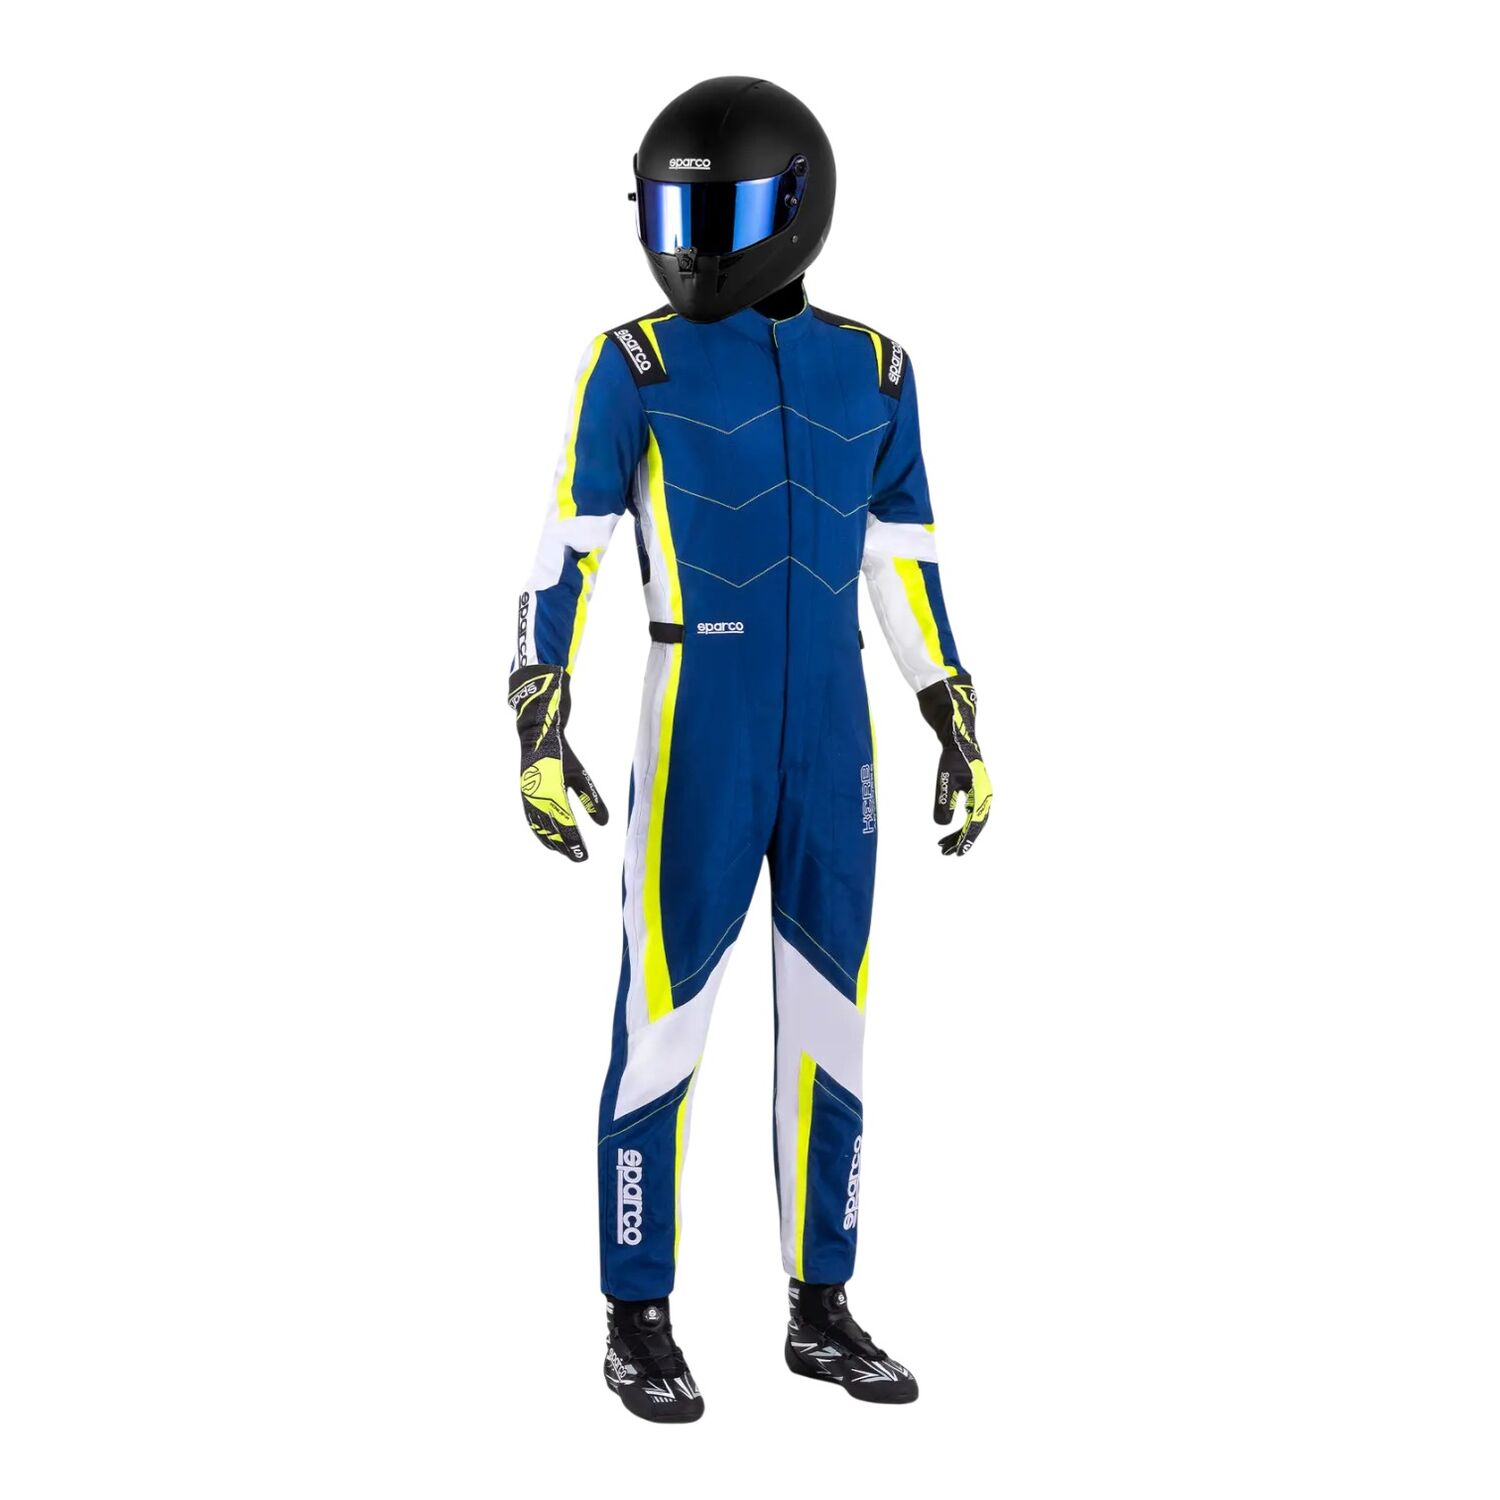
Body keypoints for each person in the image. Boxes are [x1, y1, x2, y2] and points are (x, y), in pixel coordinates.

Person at [508, 77, 990, 1423]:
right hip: (697, 727)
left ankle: (820, 1308)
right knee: (662, 1022)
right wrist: (538, 711)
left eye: (715, 215)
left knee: (833, 1019)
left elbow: (903, 558)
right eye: (671, 216)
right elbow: (566, 547)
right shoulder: (636, 366)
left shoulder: (876, 370)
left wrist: (951, 705)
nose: (689, 245)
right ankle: (638, 1315)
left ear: (794, 209)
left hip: (835, 736)